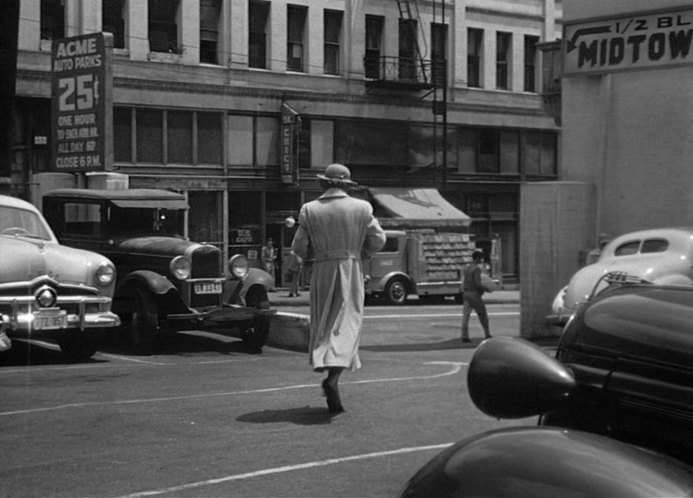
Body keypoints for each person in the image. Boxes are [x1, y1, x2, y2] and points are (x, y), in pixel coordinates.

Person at [291, 163, 386, 413]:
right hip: (351, 268)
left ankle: (327, 363)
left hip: (322, 269)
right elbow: (379, 239)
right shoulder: (362, 208)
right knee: (348, 323)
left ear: (324, 183)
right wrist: (360, 251)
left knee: (325, 321)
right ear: (346, 185)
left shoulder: (310, 209)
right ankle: (333, 377)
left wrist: (316, 253)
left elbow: (299, 246)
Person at [461, 249, 491, 344]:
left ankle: (464, 336)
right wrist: (486, 289)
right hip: (474, 294)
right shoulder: (476, 269)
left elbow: (464, 281)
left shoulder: (466, 268)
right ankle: (487, 333)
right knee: (482, 315)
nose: (481, 261)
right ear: (477, 258)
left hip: (466, 294)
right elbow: (477, 283)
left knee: (466, 316)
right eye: (480, 259)